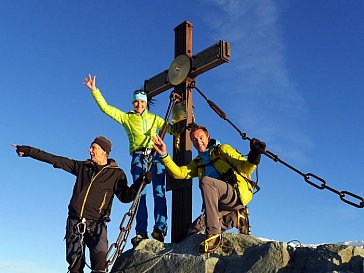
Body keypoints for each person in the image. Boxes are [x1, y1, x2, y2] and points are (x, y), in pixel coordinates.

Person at [12, 136, 151, 273]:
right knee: (75, 267)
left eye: (94, 148)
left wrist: (141, 182)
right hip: (74, 223)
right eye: (91, 147)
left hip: (97, 225)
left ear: (104, 151)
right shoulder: (83, 167)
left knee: (99, 265)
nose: (90, 150)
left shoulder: (116, 174)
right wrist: (29, 151)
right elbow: (55, 159)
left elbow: (125, 196)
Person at [84, 75, 173, 245]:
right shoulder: (127, 118)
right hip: (139, 158)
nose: (139, 105)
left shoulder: (155, 119)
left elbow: (172, 129)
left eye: (142, 102)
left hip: (155, 158)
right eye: (136, 102)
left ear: (146, 103)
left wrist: (181, 114)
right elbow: (107, 109)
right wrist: (95, 90)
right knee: (140, 195)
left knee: (159, 193)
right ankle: (141, 232)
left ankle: (160, 229)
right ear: (133, 103)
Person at [152, 125, 266, 253]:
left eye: (201, 137)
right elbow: (180, 173)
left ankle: (214, 235)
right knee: (192, 232)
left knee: (206, 182)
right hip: (219, 206)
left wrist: (254, 155)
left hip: (234, 194)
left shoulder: (222, 149)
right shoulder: (198, 162)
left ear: (208, 137)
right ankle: (235, 216)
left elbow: (244, 167)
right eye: (194, 139)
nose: (198, 141)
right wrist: (164, 155)